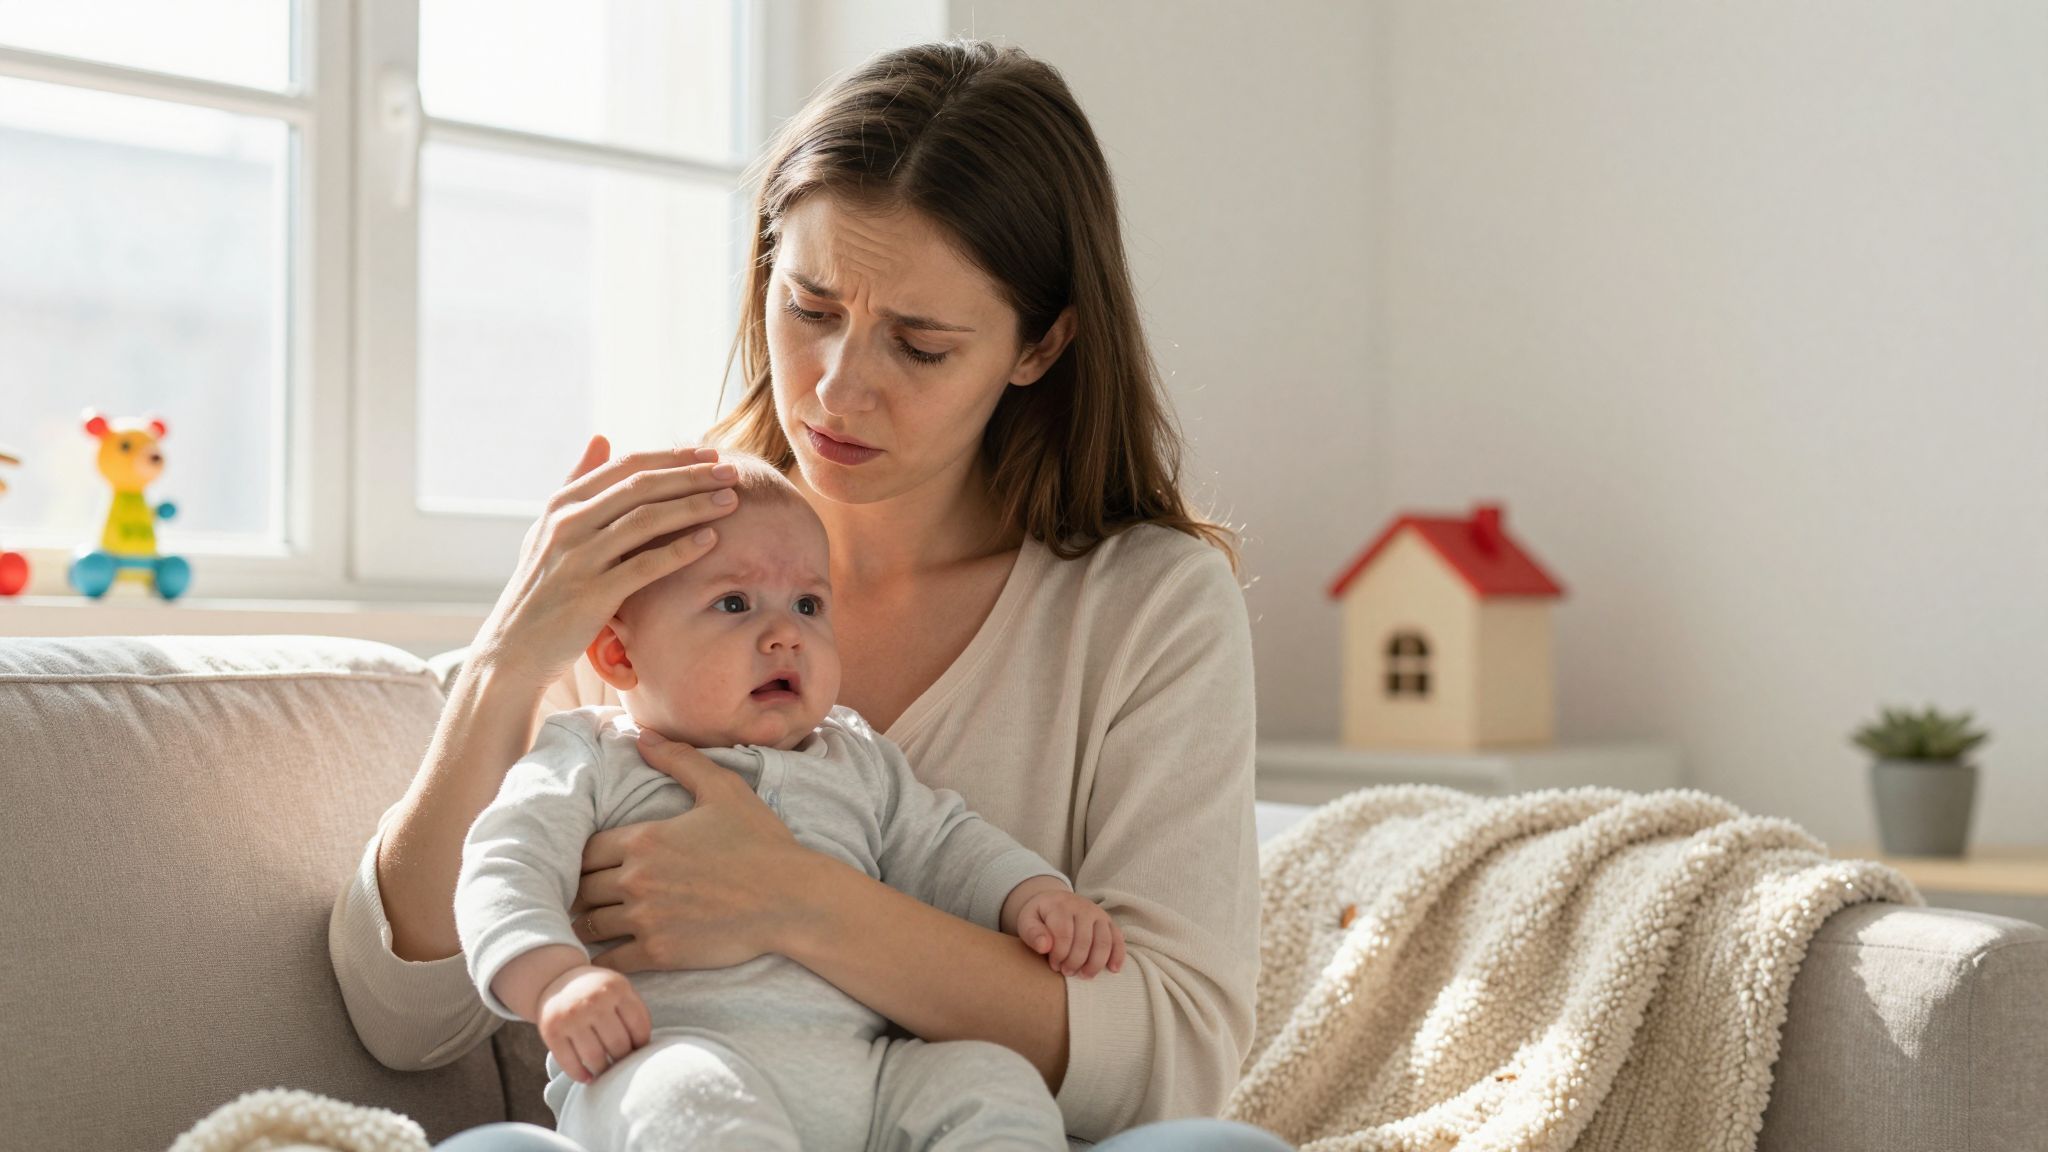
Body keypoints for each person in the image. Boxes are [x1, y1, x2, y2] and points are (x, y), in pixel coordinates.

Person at [328, 38, 1292, 1151]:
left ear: (1040, 346)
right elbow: (404, 1022)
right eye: (811, 308)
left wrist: (796, 899)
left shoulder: (1145, 606)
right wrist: (508, 659)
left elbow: (1173, 1066)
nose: (837, 389)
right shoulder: (660, 562)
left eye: (919, 347)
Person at [456, 457, 1119, 1149]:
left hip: (863, 1080)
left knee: (991, 1081)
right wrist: (555, 982)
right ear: (620, 654)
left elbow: (949, 844)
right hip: (661, 1059)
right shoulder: (590, 756)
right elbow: (505, 867)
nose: (785, 634)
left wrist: (1032, 895)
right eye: (734, 604)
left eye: (808, 605)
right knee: (688, 1098)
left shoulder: (856, 758)